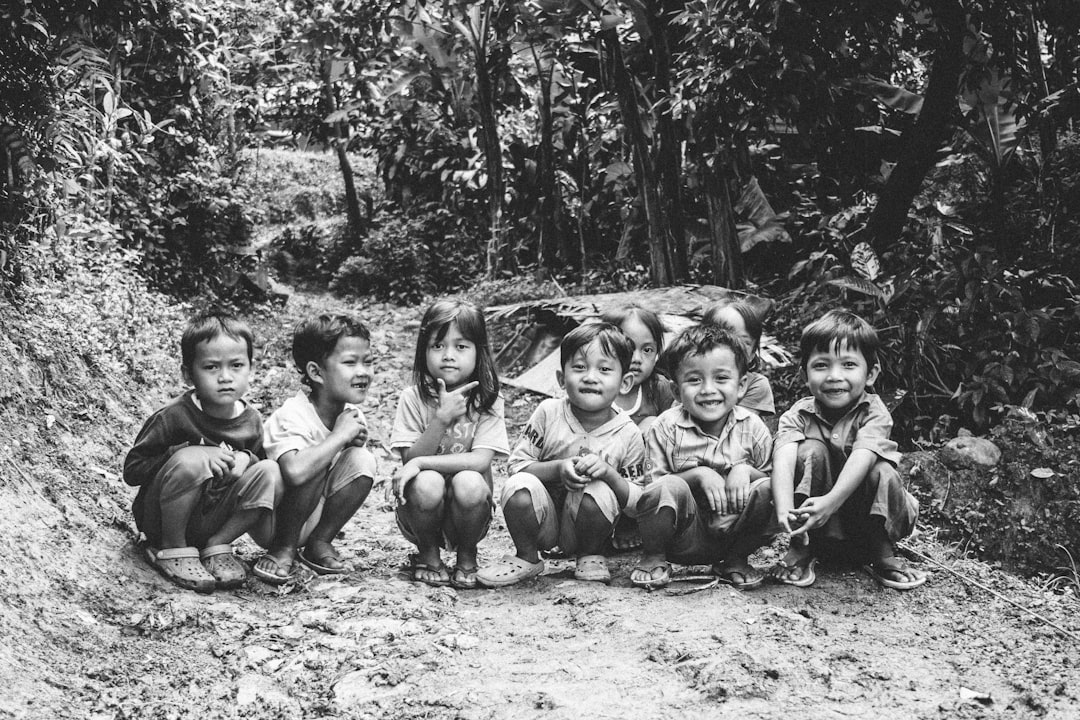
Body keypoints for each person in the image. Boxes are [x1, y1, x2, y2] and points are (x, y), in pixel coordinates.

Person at [477, 323, 647, 587]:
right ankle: (527, 557)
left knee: (599, 487)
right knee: (518, 486)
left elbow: (638, 504)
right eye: (579, 367)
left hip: (589, 528)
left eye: (604, 369)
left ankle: (590, 555)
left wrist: (609, 475)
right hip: (542, 520)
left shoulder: (628, 434)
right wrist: (557, 469)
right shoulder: (548, 413)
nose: (590, 377)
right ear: (560, 378)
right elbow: (517, 465)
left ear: (625, 382)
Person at [124, 313, 282, 593]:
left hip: (212, 519)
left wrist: (248, 458)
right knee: (192, 460)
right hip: (163, 520)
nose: (225, 377)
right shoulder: (174, 416)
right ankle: (172, 549)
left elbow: (262, 473)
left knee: (271, 472)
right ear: (188, 374)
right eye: (211, 367)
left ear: (251, 369)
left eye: (236, 366)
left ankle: (217, 546)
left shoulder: (251, 420)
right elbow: (133, 470)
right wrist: (188, 451)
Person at [770, 309, 925, 590]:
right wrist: (783, 509)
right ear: (805, 374)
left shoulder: (874, 412)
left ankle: (883, 553)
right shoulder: (798, 415)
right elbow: (782, 458)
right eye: (821, 365)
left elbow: (863, 454)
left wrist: (830, 502)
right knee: (808, 451)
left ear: (871, 374)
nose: (834, 376)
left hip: (864, 522)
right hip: (817, 524)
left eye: (848, 365)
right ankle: (801, 547)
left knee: (881, 468)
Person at [630, 324, 775, 590]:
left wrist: (745, 471)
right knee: (667, 486)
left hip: (736, 530)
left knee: (768, 488)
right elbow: (651, 488)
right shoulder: (664, 427)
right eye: (695, 380)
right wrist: (698, 476)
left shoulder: (753, 427)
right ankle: (653, 557)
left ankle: (736, 560)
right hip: (683, 535)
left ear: (741, 385)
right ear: (675, 391)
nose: (708, 389)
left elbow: (771, 477)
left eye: (721, 378)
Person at [390, 300, 510, 590]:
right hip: (419, 510)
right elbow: (411, 458)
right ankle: (428, 554)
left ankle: (467, 553)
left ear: (478, 352)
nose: (448, 355)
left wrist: (419, 463)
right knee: (427, 482)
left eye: (461, 346)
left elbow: (481, 461)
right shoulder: (413, 398)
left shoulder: (488, 400)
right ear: (424, 351)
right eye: (437, 346)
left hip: (470, 511)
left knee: (469, 481)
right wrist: (441, 419)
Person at [255, 314, 378, 584]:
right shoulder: (293, 414)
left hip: (313, 512)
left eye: (367, 362)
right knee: (313, 458)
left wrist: (348, 441)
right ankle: (283, 549)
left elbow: (346, 467)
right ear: (315, 372)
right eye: (350, 362)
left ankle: (320, 541)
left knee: (362, 459)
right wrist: (337, 437)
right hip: (274, 521)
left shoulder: (351, 415)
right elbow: (295, 472)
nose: (363, 372)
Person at [600, 304, 676, 552]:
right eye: (628, 347)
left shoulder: (660, 389)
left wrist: (654, 425)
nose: (637, 358)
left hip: (646, 476)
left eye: (647, 350)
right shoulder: (597, 387)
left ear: (657, 354)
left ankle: (634, 523)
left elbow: (679, 433)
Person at [702, 298, 775, 417]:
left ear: (752, 354)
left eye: (743, 342)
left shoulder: (755, 384)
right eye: (722, 339)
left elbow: (738, 428)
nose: (732, 348)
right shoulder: (691, 378)